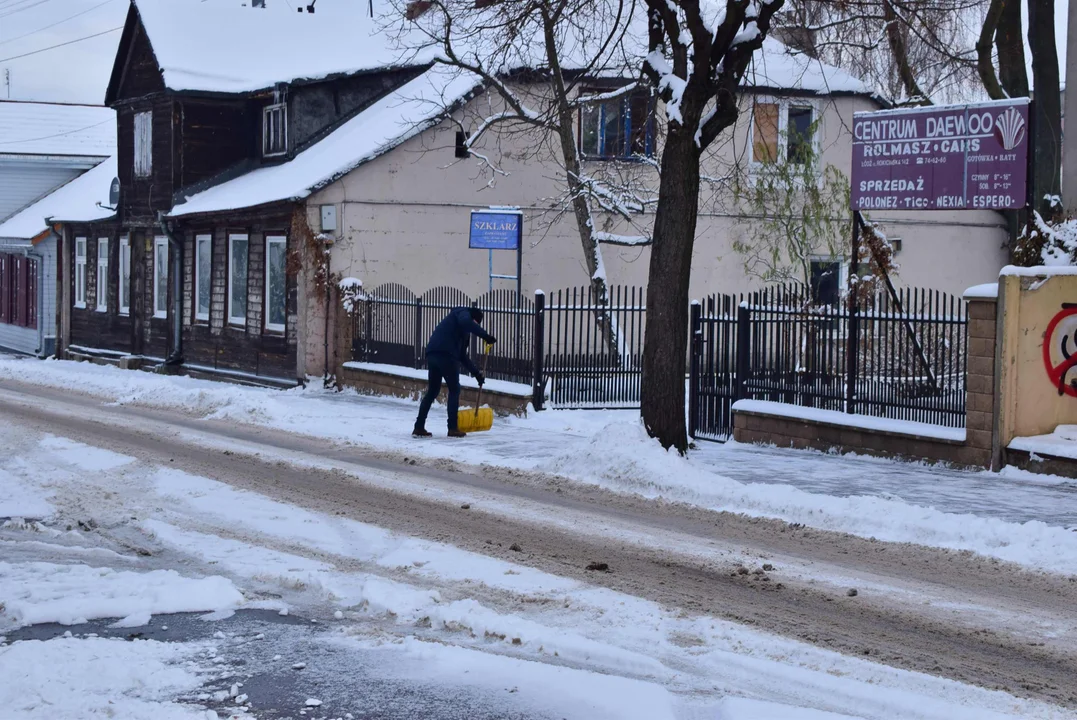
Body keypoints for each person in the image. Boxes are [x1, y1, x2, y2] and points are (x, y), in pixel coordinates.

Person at [413, 306, 496, 438]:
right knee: (454, 389)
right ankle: (452, 428)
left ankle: (419, 426)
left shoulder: (460, 330)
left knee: (433, 391)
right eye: (475, 323)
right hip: (446, 355)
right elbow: (466, 322)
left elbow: (462, 356)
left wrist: (477, 374)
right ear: (472, 318)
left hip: (433, 354)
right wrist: (485, 336)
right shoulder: (462, 314)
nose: (474, 326)